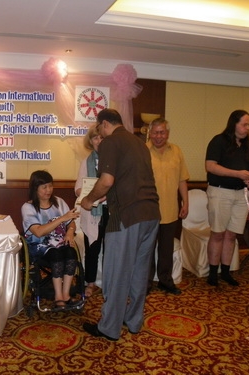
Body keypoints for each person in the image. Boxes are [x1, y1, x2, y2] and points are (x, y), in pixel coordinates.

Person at [80, 108, 160, 341]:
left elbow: (106, 180)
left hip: (126, 217)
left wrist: (89, 199)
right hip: (151, 214)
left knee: (116, 273)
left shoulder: (110, 142)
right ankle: (133, 321)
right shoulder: (139, 143)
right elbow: (130, 179)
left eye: (100, 129)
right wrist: (108, 194)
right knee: (138, 272)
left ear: (104, 124)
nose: (100, 135)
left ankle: (109, 327)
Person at [205, 109, 249, 287]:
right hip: (221, 192)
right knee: (218, 234)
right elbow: (210, 166)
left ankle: (226, 272)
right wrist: (237, 174)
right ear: (234, 124)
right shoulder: (218, 141)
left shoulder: (248, 146)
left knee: (232, 235)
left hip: (241, 194)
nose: (247, 128)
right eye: (244, 124)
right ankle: (213, 273)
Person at [21, 170, 82, 310]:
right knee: (56, 255)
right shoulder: (28, 208)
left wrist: (70, 233)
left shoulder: (59, 202)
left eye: (50, 186)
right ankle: (58, 296)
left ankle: (66, 295)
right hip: (39, 246)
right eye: (44, 187)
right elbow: (39, 231)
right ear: (35, 189)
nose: (48, 190)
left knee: (71, 254)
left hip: (60, 242)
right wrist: (62, 218)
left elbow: (71, 222)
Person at [147, 118, 189, 295]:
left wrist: (185, 202)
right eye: (155, 132)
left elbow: (182, 179)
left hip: (171, 209)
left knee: (166, 249)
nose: (158, 136)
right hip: (148, 211)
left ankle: (165, 281)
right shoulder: (142, 151)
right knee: (147, 250)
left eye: (162, 132)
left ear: (167, 133)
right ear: (150, 133)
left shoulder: (176, 151)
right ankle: (146, 283)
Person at [75, 125, 109, 298]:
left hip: (111, 212)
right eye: (95, 138)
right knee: (92, 249)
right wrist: (91, 195)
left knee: (111, 249)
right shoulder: (85, 162)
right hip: (92, 213)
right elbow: (78, 189)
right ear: (91, 141)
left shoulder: (114, 161)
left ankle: (110, 283)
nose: (99, 141)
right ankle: (90, 282)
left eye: (101, 137)